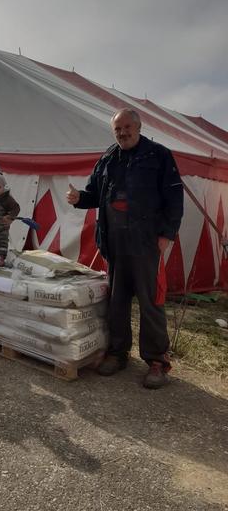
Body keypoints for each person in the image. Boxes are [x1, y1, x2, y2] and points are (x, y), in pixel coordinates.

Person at [66, 108, 183, 389]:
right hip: (114, 242)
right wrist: (78, 197)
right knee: (116, 302)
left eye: (127, 127)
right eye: (118, 129)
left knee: (150, 302)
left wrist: (167, 234)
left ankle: (157, 361)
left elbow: (174, 197)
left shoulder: (159, 155)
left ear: (139, 127)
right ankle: (118, 353)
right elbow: (94, 194)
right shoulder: (108, 158)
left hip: (146, 242)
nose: (122, 132)